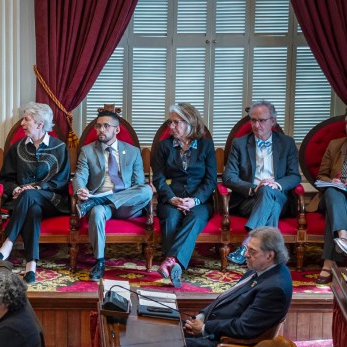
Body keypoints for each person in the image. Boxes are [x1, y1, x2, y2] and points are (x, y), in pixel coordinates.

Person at [183, 227, 293, 347]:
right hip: (220, 331)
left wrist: (205, 329)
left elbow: (243, 328)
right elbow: (226, 298)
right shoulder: (260, 269)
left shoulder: (274, 288)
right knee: (170, 325)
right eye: (246, 249)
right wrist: (201, 317)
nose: (246, 255)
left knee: (176, 346)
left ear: (269, 255)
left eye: (252, 252)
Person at [73, 109, 152, 282]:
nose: (101, 129)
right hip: (103, 206)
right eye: (98, 126)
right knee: (97, 212)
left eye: (106, 126)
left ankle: (96, 202)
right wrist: (80, 189)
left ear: (117, 130)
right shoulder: (88, 151)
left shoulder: (132, 152)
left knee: (146, 190)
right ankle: (100, 262)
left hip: (128, 205)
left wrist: (124, 196)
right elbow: (80, 175)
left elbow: (138, 183)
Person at [0, 102, 70, 283]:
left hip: (53, 200)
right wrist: (15, 189)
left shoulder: (59, 148)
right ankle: (31, 265)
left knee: (30, 196)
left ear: (39, 123)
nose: (21, 123)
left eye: (26, 119)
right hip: (24, 202)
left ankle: (8, 242)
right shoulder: (16, 148)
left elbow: (61, 181)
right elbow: (5, 179)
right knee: (32, 209)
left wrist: (36, 188)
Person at [222, 100, 301, 265]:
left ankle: (247, 244)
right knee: (268, 198)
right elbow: (228, 177)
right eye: (253, 120)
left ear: (273, 121)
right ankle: (268, 259)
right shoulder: (240, 144)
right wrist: (253, 188)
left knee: (268, 192)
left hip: (281, 198)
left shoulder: (287, 143)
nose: (257, 125)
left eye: (262, 120)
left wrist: (277, 185)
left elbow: (294, 176)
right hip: (248, 200)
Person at [151, 103, 217, 288]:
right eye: (170, 123)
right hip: (171, 199)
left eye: (175, 123)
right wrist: (172, 198)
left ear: (190, 123)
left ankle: (171, 261)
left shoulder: (206, 146)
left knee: (196, 217)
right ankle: (176, 266)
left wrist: (195, 200)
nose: (171, 127)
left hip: (199, 201)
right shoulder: (164, 147)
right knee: (171, 218)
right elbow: (159, 178)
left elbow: (211, 180)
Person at [314, 113, 347, 285]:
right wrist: (332, 181)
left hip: (335, 207)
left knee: (332, 215)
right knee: (333, 193)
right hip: (335, 195)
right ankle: (343, 235)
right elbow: (321, 175)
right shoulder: (335, 145)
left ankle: (328, 262)